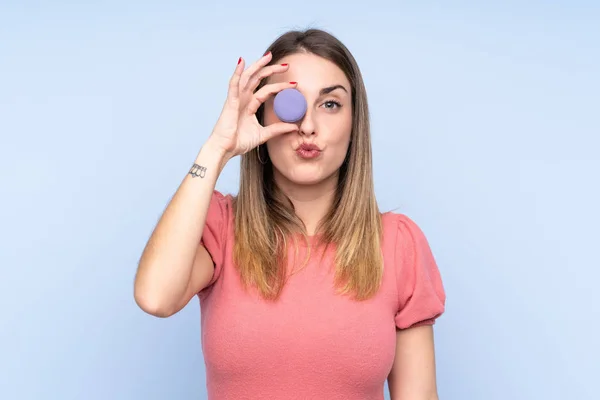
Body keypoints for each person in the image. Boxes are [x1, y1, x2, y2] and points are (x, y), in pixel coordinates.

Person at [134, 28, 446, 400]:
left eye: (330, 104)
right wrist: (217, 148)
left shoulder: (398, 243)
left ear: (354, 121)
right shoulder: (221, 226)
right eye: (290, 103)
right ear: (262, 115)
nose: (308, 126)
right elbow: (155, 297)